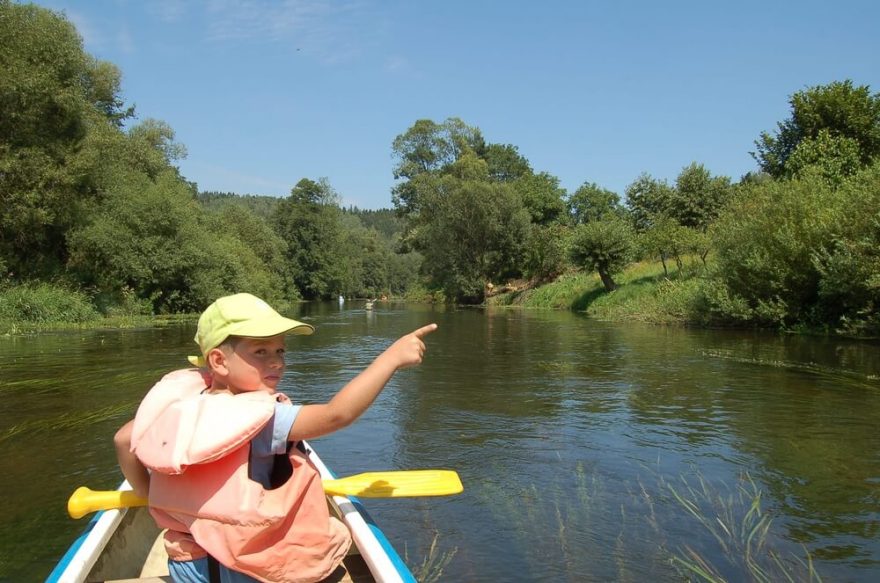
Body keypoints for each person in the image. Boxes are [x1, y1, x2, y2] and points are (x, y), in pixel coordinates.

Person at [114, 293, 437, 583]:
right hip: (250, 567)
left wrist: (149, 495)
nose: (277, 361)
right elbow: (336, 415)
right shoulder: (264, 419)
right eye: (261, 351)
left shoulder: (180, 407)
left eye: (280, 350)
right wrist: (390, 359)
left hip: (189, 565)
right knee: (325, 544)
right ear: (218, 361)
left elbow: (124, 439)